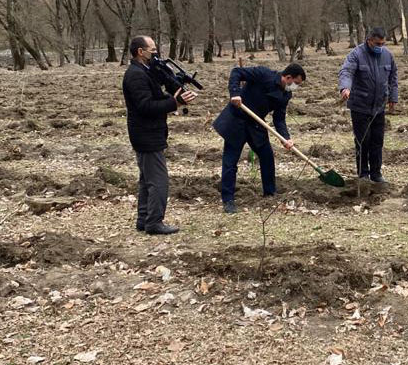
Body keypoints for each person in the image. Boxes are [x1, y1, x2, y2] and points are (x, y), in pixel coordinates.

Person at [122, 36, 197, 235]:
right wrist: (175, 103)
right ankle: (154, 222)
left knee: (147, 179)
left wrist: (176, 88)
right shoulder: (136, 75)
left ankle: (144, 219)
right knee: (158, 180)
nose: (156, 53)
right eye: (153, 49)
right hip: (146, 133)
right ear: (141, 52)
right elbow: (146, 106)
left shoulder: (146, 71)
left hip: (148, 131)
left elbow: (156, 93)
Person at [213, 63, 306, 213]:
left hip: (256, 124)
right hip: (237, 120)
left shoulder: (285, 95)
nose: (296, 87)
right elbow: (236, 72)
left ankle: (270, 193)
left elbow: (279, 118)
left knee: (267, 156)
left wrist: (285, 138)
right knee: (230, 161)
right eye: (296, 83)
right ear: (288, 77)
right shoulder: (264, 74)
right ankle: (228, 200)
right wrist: (235, 93)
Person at [339, 26, 398, 183]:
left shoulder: (387, 55)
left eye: (383, 44)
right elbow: (346, 72)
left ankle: (376, 174)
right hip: (360, 106)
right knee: (363, 141)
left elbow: (393, 77)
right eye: (377, 44)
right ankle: (363, 174)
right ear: (369, 40)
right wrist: (345, 88)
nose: (380, 47)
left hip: (379, 106)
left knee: (377, 141)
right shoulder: (356, 54)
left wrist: (393, 97)